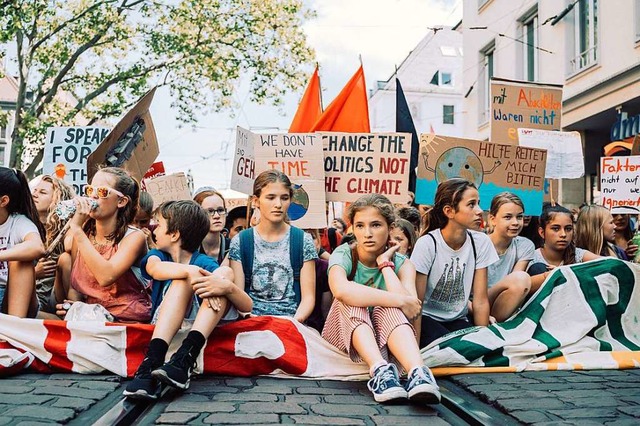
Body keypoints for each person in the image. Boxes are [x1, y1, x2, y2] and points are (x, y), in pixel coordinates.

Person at [124, 200, 250, 399]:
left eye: (159, 225)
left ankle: (185, 357)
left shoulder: (202, 261)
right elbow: (155, 270)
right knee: (183, 279)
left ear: (174, 234)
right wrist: (190, 272)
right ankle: (152, 361)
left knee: (224, 273)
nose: (154, 230)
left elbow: (247, 306)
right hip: (165, 325)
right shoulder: (157, 255)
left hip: (198, 324)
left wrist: (225, 286)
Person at [322, 194, 440, 404]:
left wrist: (385, 264)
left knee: (390, 306)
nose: (367, 233)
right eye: (359, 226)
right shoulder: (344, 254)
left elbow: (410, 309)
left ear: (390, 227)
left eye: (375, 225)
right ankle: (380, 372)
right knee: (353, 298)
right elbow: (340, 290)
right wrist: (399, 300)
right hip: (344, 335)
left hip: (386, 339)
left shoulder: (403, 263)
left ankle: (418, 372)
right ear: (352, 229)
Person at [54, 167, 151, 323]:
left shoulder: (134, 237)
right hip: (90, 319)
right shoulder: (84, 234)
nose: (92, 196)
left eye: (102, 192)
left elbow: (106, 276)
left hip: (126, 321)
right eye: (91, 189)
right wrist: (74, 310)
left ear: (121, 201)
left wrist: (77, 230)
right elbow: (75, 287)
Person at [411, 178, 498, 347]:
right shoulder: (428, 244)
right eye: (471, 205)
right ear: (449, 211)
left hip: (459, 320)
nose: (480, 211)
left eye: (479, 203)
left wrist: (483, 344)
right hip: (428, 320)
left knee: (470, 347)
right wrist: (414, 354)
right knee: (447, 347)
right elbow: (417, 305)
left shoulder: (480, 242)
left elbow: (480, 301)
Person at [228, 170, 317, 322]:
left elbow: (308, 297)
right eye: (270, 197)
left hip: (292, 321)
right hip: (251, 321)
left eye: (284, 198)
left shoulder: (303, 241)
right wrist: (250, 318)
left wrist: (295, 321)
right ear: (256, 201)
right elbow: (239, 293)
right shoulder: (241, 241)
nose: (278, 205)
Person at [0, 167, 46, 317]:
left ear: (3, 201)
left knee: (21, 261)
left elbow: (37, 247)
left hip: (13, 297)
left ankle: (14, 331)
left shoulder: (18, 222)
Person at [527, 204, 600, 292]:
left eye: (568, 229)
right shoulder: (531, 258)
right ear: (542, 232)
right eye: (556, 229)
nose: (563, 234)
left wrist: (566, 273)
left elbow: (610, 264)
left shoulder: (579, 255)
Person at [485, 193, 535, 322]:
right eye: (508, 217)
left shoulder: (525, 245)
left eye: (519, 217)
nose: (515, 223)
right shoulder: (479, 243)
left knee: (521, 279)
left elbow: (516, 283)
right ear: (492, 219)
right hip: (475, 302)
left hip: (503, 301)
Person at [31, 175, 75, 312]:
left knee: (65, 259)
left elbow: (69, 247)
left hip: (53, 294)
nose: (34, 194)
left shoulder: (67, 227)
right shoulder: (25, 224)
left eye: (42, 192)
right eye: (35, 190)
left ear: (56, 200)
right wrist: (34, 273)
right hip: (30, 290)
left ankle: (70, 311)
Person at [194, 188, 230, 266]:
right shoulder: (189, 248)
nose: (217, 216)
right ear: (197, 214)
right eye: (209, 211)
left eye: (220, 210)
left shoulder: (232, 247)